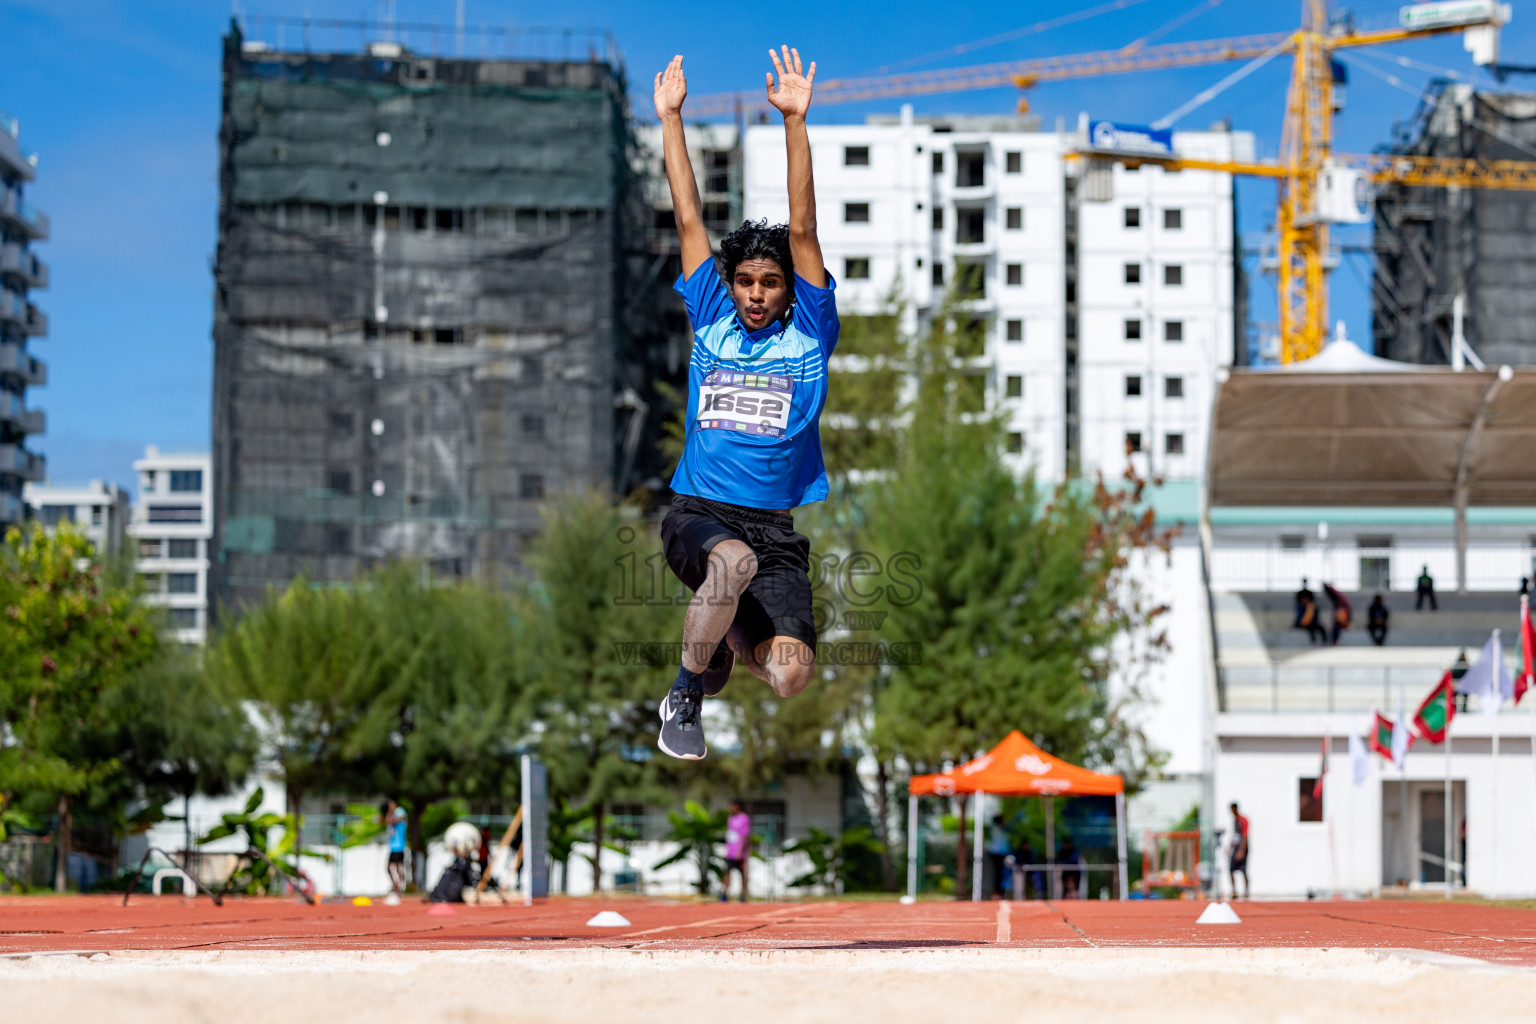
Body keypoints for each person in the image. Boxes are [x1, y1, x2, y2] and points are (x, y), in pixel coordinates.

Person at [651, 49, 838, 761]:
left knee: (792, 675)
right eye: (746, 282)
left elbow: (804, 232)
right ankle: (686, 694)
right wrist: (671, 120)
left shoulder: (812, 332)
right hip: (700, 512)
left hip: (775, 531)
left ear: (791, 290)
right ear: (730, 286)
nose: (756, 294)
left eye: (770, 283)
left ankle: (729, 637)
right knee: (727, 568)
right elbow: (688, 212)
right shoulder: (711, 313)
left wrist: (795, 122)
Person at [721, 799, 751, 902]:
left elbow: (745, 836)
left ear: (737, 806)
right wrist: (727, 850)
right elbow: (730, 836)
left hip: (740, 853)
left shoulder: (744, 818)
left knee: (742, 873)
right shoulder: (730, 818)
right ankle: (724, 893)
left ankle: (743, 894)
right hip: (730, 852)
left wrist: (740, 851)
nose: (730, 808)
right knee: (727, 872)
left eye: (732, 806)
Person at [381, 799, 407, 904]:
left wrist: (391, 812)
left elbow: (395, 820)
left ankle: (398, 889)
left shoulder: (400, 811)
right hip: (392, 846)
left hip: (399, 845)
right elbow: (386, 821)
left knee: (397, 867)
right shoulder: (390, 814)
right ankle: (395, 886)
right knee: (388, 867)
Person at [986, 815, 1011, 900]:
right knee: (997, 873)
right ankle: (997, 892)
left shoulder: (1000, 828)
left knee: (1001, 873)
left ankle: (1000, 891)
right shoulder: (996, 828)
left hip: (1001, 853)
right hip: (996, 853)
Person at [1228, 802, 1250, 899]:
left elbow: (1245, 835)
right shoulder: (1235, 820)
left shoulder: (1243, 820)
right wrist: (1230, 847)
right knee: (1231, 869)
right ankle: (1234, 890)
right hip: (1237, 847)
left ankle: (1246, 891)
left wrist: (1242, 850)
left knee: (1244, 870)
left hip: (1243, 847)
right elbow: (1235, 836)